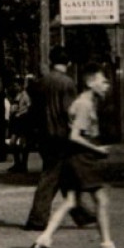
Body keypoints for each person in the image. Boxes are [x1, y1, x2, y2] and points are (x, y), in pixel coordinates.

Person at [30, 67, 124, 248]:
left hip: (73, 157)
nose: (107, 86)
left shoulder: (83, 101)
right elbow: (74, 136)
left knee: (71, 202)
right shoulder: (84, 104)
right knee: (101, 199)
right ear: (91, 83)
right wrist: (97, 150)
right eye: (103, 81)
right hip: (82, 158)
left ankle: (43, 242)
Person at [25, 47, 95, 231]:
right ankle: (37, 219)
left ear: (50, 61)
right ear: (68, 62)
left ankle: (82, 214)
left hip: (44, 135)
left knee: (65, 175)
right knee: (51, 176)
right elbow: (70, 112)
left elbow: (34, 109)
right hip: (62, 136)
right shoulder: (67, 83)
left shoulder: (42, 82)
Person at [9, 79, 34, 172]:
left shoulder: (25, 95)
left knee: (23, 143)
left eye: (16, 85)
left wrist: (21, 113)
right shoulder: (17, 95)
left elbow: (29, 106)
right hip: (16, 120)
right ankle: (17, 163)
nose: (15, 87)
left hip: (23, 120)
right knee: (13, 143)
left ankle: (23, 164)